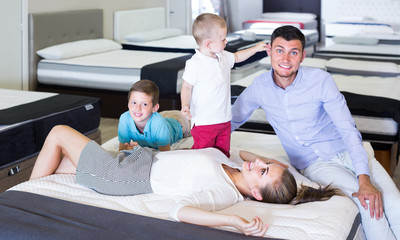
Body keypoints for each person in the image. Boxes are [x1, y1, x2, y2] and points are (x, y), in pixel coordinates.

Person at [231, 25, 400, 239]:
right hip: (316, 164)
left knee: (394, 203)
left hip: (348, 149)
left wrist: (364, 178)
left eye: (293, 52)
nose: (285, 58)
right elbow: (233, 120)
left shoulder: (320, 80)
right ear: (270, 52)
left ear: (303, 56)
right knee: (366, 201)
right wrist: (205, 142)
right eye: (279, 50)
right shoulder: (259, 87)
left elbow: (347, 128)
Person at [30, 125, 342, 237]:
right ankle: (33, 191)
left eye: (262, 173)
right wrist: (278, 167)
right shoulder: (232, 165)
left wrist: (234, 221)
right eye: (266, 164)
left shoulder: (224, 192)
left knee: (58, 133)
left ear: (257, 197)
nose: (258, 163)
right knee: (61, 162)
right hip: (137, 160)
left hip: (124, 176)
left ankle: (26, 199)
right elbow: (248, 153)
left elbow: (179, 211)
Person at [180, 13, 267, 157]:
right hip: (204, 122)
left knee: (222, 154)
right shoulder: (195, 63)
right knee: (202, 155)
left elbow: (238, 57)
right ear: (208, 44)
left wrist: (256, 49)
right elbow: (187, 87)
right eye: (222, 39)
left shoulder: (223, 56)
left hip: (224, 119)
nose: (226, 42)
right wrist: (185, 105)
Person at [118, 80, 191, 151]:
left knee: (195, 124)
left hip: (179, 122)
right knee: (157, 118)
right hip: (159, 116)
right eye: (134, 103)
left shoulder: (158, 123)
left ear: (154, 108)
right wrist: (128, 150)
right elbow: (122, 150)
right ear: (128, 104)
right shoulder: (125, 119)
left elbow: (164, 154)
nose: (137, 108)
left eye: (144, 104)